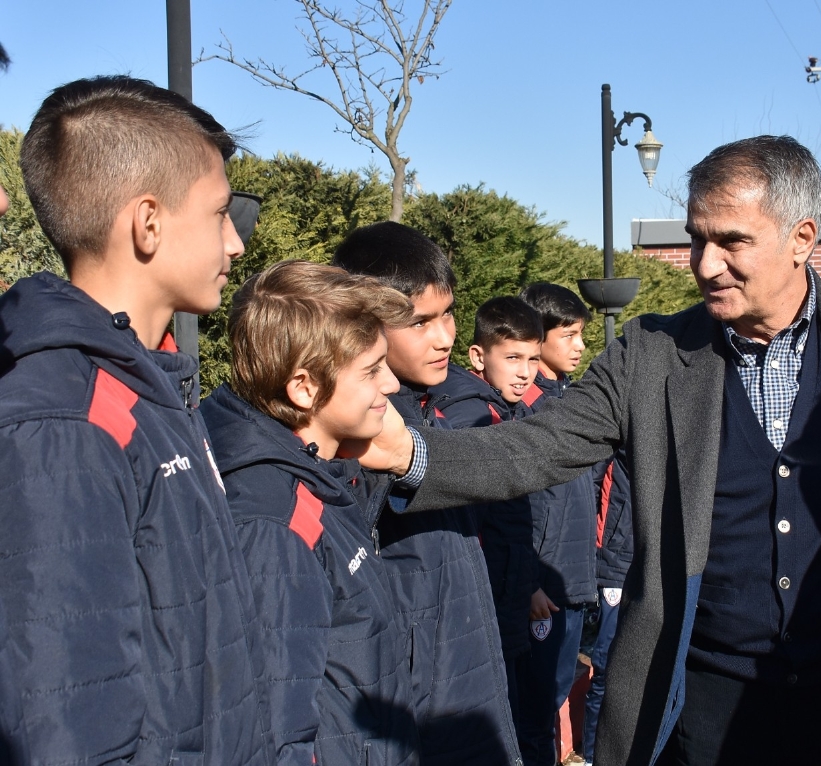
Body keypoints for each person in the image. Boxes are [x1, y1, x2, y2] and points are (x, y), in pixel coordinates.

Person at [363, 135, 821, 766]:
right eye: (698, 239)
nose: (706, 264)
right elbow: (537, 445)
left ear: (802, 239)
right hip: (704, 704)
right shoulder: (651, 355)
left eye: (732, 242)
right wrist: (410, 455)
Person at [0, 76, 275, 764]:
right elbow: (68, 726)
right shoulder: (65, 420)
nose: (236, 245)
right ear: (147, 222)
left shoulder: (145, 386)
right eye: (220, 214)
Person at [199, 260, 420, 765]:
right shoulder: (276, 523)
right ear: (304, 388)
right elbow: (273, 730)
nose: (391, 385)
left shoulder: (319, 474)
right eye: (371, 370)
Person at [332, 222, 522, 765]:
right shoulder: (352, 425)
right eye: (420, 322)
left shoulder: (447, 403)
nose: (444, 337)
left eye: (448, 314)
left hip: (461, 660)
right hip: (406, 686)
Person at [429, 295, 544, 731]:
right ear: (478, 356)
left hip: (508, 587)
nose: (525, 371)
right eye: (513, 358)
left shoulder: (507, 410)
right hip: (485, 593)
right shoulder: (472, 415)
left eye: (533, 359)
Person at [516, 282, 599, 766]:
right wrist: (529, 582)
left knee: (556, 692)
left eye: (581, 334)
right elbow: (518, 509)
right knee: (533, 706)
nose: (580, 345)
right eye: (568, 334)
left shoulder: (573, 401)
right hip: (541, 589)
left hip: (571, 580)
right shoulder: (524, 411)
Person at [583, 448, 633, 766]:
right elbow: (591, 485)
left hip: (655, 566)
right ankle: (592, 756)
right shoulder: (617, 442)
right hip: (615, 564)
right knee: (605, 663)